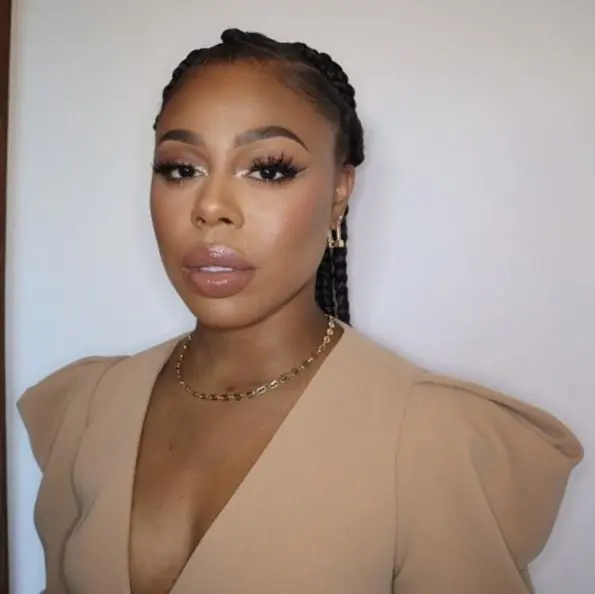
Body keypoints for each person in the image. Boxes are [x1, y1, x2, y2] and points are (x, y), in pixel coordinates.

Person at [19, 28, 583, 594]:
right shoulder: (91, 407)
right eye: (181, 168)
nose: (210, 207)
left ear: (340, 191)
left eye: (268, 169)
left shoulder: (431, 441)